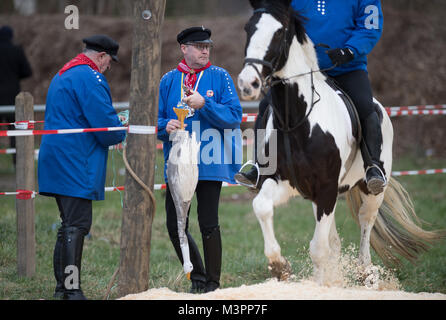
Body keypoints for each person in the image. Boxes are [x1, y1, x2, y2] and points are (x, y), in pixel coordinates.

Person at [235, 0, 387, 195]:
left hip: (346, 67)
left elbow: (370, 27)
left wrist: (350, 50)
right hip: (303, 70)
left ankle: (373, 167)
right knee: (267, 105)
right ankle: (259, 166)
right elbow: (279, 20)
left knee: (364, 106)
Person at [37, 35, 126, 300]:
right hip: (75, 162)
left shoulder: (65, 72)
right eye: (109, 61)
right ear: (100, 56)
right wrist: (120, 127)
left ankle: (62, 289)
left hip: (58, 159)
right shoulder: (90, 77)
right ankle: (72, 291)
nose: (108, 67)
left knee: (68, 225)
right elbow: (105, 128)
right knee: (77, 226)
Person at [158, 26, 242, 293]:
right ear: (184, 48)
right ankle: (198, 277)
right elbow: (156, 120)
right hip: (178, 163)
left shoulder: (220, 77)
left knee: (208, 223)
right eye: (199, 46)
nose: (205, 51)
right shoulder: (168, 80)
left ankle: (212, 285)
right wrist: (165, 125)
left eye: (208, 47)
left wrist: (205, 105)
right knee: (175, 225)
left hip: (209, 161)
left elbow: (234, 117)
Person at [0, 25, 32, 167]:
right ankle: (17, 164)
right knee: (15, 132)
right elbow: (27, 71)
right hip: (13, 98)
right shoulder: (16, 51)